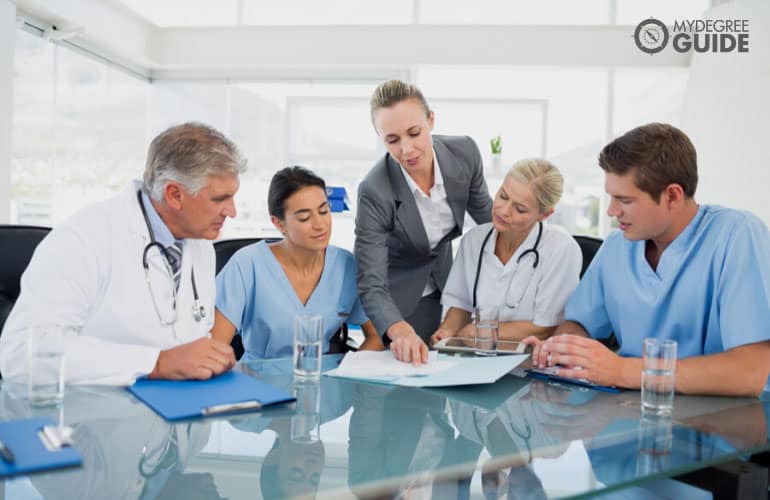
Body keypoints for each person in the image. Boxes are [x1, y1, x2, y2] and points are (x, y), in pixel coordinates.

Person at [525, 123, 770, 396]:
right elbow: (579, 323)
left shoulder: (737, 235)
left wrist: (622, 371)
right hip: (631, 412)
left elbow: (750, 372)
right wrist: (565, 348)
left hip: (728, 422)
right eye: (610, 197)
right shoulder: (617, 247)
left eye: (625, 200)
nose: (611, 211)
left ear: (672, 196)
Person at [0, 122, 244, 385]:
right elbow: (22, 355)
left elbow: (185, 337)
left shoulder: (201, 245)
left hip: (175, 410)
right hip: (92, 417)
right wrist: (155, 362)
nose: (231, 211)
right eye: (220, 199)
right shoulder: (83, 238)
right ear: (174, 195)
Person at [355, 79, 493, 364]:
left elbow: (490, 225)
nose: (407, 150)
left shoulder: (464, 153)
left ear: (431, 120)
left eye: (414, 133)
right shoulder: (374, 190)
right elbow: (371, 281)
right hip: (397, 297)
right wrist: (397, 328)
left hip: (447, 285)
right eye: (392, 140)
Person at [212, 166, 384, 359]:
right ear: (279, 224)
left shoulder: (346, 265)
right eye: (304, 218)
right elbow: (214, 348)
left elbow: (376, 335)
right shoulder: (247, 265)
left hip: (322, 379)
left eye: (324, 211)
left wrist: (350, 372)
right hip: (258, 380)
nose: (320, 225)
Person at [431, 159, 581, 345]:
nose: (504, 210)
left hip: (531, 363)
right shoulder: (474, 240)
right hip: (478, 355)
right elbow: (461, 303)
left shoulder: (561, 249)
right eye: (503, 196)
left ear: (544, 215)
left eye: (520, 209)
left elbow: (545, 328)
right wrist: (447, 330)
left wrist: (477, 332)